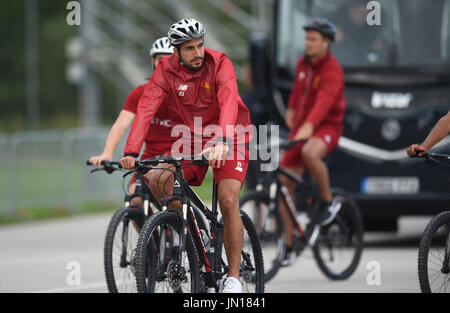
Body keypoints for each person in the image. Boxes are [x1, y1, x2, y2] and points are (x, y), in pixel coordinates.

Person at [120, 19, 253, 293]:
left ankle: (233, 278)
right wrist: (131, 151)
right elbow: (146, 108)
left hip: (231, 134)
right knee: (157, 178)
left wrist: (224, 140)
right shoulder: (165, 70)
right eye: (189, 48)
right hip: (191, 136)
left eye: (200, 45)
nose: (197, 53)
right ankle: (195, 231)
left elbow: (229, 99)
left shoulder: (220, 63)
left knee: (228, 199)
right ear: (175, 51)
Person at [89, 36, 207, 209]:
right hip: (148, 159)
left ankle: (178, 234)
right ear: (153, 62)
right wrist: (107, 153)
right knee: (134, 202)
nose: (164, 64)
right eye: (160, 59)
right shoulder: (140, 93)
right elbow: (120, 125)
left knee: (167, 191)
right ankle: (153, 233)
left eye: (170, 59)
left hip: (182, 157)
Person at [279, 18, 346, 265]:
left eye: (313, 39)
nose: (307, 43)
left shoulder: (333, 70)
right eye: (306, 38)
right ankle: (289, 243)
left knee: (310, 152)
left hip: (326, 127)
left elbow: (324, 103)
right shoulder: (302, 63)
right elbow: (298, 91)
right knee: (283, 185)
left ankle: (328, 201)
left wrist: (307, 126)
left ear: (326, 42)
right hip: (302, 127)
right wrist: (292, 109)